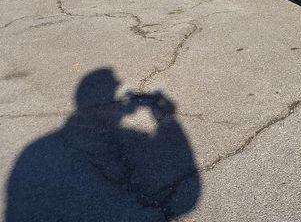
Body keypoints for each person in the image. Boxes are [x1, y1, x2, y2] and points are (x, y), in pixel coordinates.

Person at [5, 68, 200, 221]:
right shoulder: (40, 149)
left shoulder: (34, 149)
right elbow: (188, 198)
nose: (117, 87)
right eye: (113, 86)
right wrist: (168, 116)